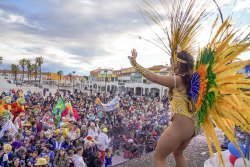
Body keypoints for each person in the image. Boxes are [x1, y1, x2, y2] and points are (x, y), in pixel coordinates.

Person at [128, 49, 195, 167]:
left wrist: (135, 64)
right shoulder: (191, 79)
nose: (172, 64)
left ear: (179, 63)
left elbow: (155, 78)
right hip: (192, 127)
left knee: (159, 157)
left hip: (180, 126)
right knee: (178, 153)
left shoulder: (178, 79)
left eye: (174, 62)